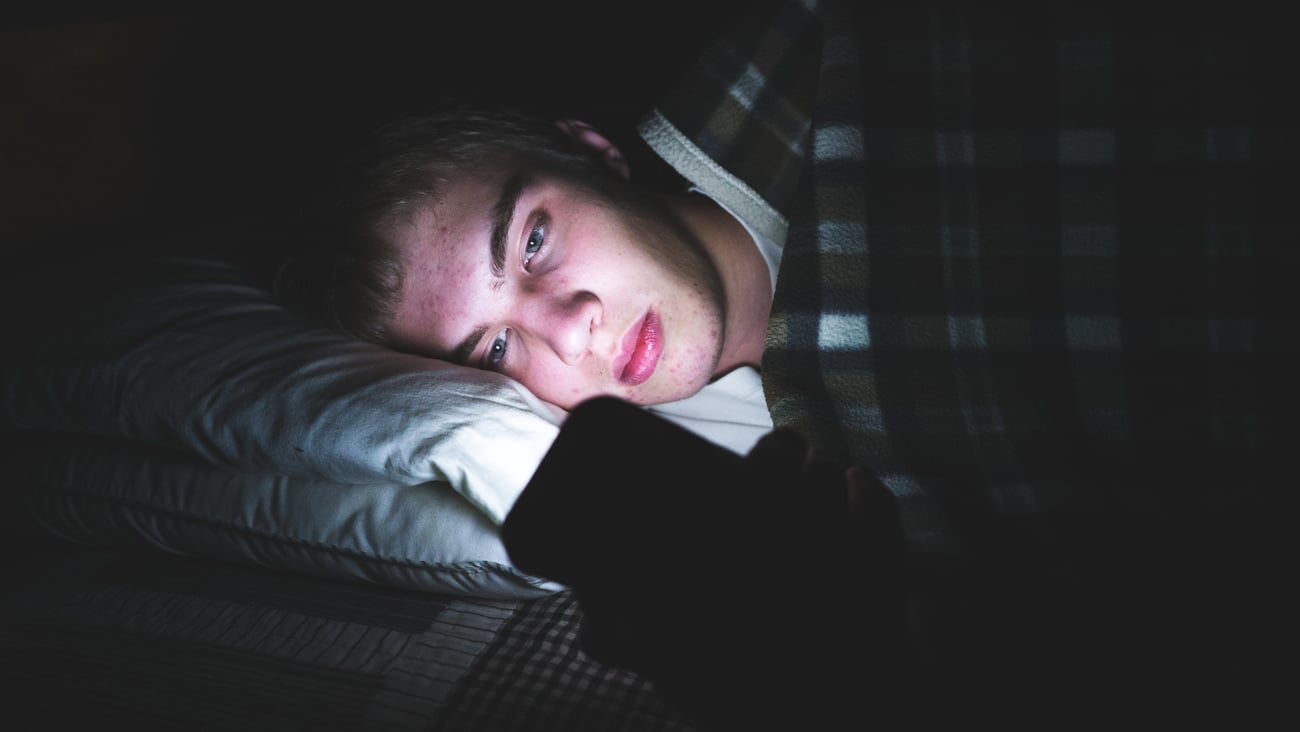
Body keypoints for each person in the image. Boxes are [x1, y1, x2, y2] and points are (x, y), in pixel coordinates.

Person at [278, 0, 1291, 725]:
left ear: (590, 150)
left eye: (534, 240)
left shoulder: (834, 48)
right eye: (495, 346)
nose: (569, 322)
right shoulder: (784, 483)